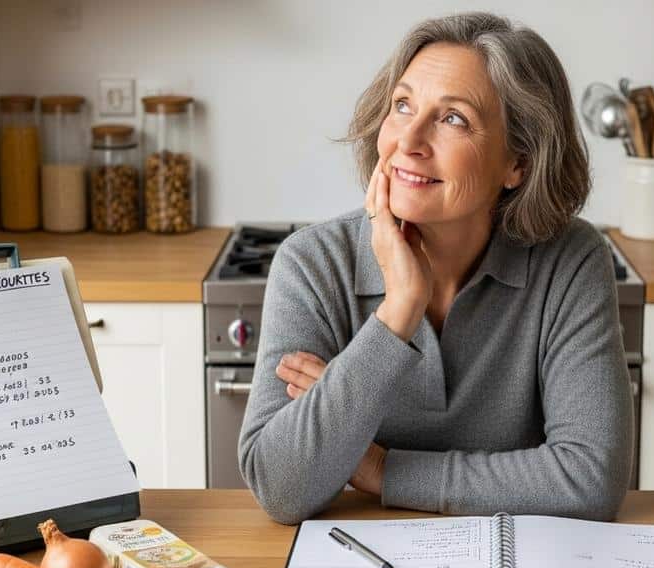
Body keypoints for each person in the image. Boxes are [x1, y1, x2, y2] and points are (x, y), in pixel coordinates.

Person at [238, 12, 632, 525]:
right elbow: (281, 487)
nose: (409, 141)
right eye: (403, 106)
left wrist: (382, 470)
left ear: (519, 163)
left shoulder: (571, 260)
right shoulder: (311, 263)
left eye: (453, 119)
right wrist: (399, 308)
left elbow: (590, 479)